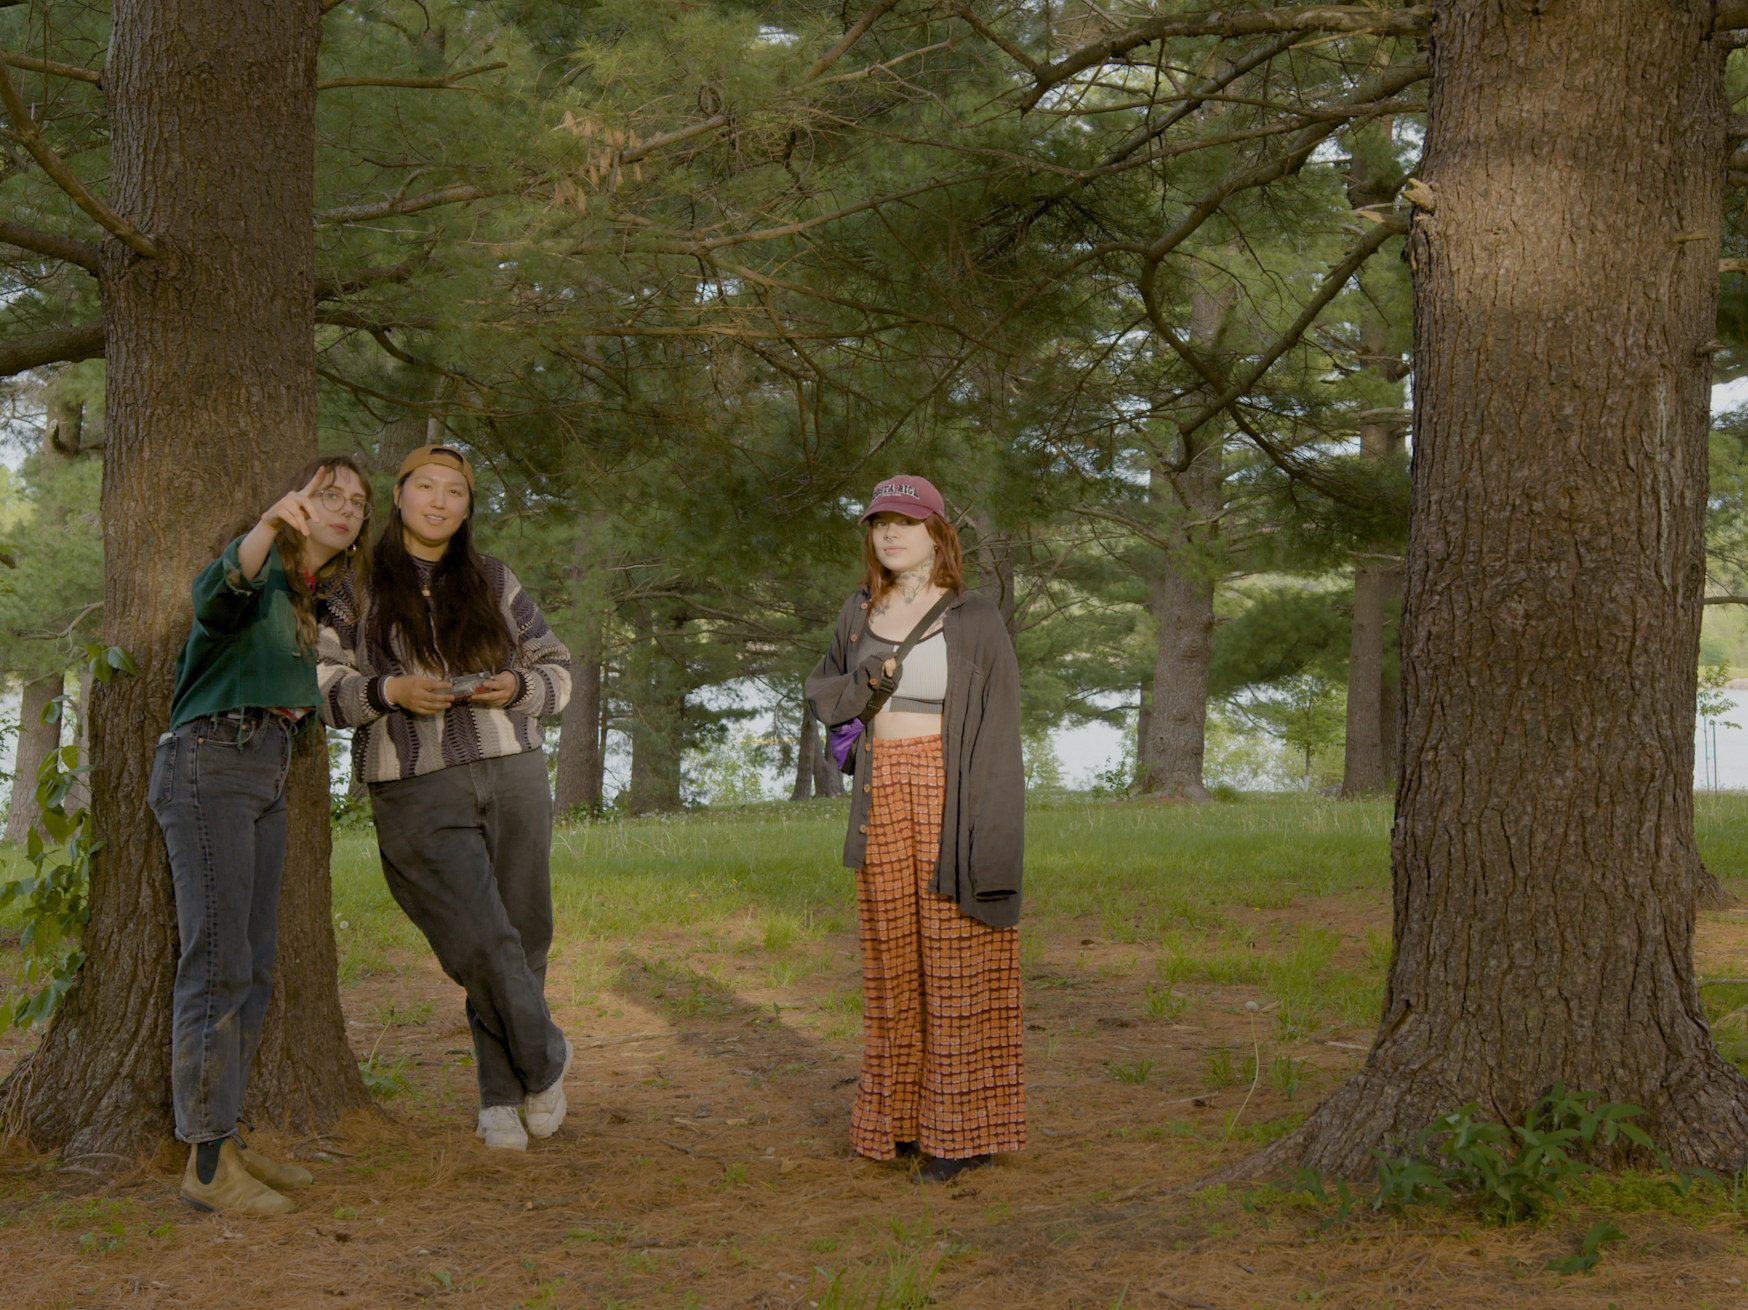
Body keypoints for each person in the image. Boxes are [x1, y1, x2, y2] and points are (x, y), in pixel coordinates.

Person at [316, 445, 572, 1152]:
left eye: (454, 491)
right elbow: (315, 679)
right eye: (424, 487)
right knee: (479, 938)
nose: (439, 501)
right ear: (396, 497)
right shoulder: (353, 584)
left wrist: (516, 688)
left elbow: (558, 669)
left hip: (513, 769)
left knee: (523, 934)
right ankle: (545, 1057)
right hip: (413, 782)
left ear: (466, 506)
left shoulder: (493, 579)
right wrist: (387, 691)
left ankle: (501, 1100)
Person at [151, 456, 374, 1214]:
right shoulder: (261, 572)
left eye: (357, 502)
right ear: (296, 504)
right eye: (329, 495)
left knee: (253, 966)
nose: (345, 509)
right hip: (213, 758)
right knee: (217, 965)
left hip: (268, 771)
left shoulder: (313, 598)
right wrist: (269, 525)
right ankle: (206, 1169)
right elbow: (218, 594)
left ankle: (225, 1142)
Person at [805, 474, 1026, 1182]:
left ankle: (962, 1132)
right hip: (881, 796)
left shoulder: (975, 616)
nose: (890, 534)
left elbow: (998, 736)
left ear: (938, 533)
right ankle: (899, 1121)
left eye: (905, 521)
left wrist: (990, 838)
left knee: (958, 962)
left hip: (950, 791)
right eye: (878, 523)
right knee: (892, 963)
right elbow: (824, 697)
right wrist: (867, 680)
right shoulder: (857, 612)